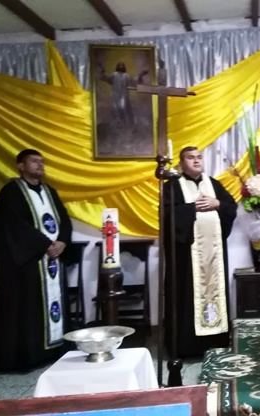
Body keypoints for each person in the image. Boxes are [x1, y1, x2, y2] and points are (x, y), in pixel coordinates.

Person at [0, 149, 72, 372]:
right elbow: (15, 226)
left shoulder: (50, 191)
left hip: (52, 260)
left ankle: (55, 350)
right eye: (33, 161)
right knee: (30, 309)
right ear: (20, 166)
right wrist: (45, 245)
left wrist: (62, 242)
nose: (40, 165)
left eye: (41, 161)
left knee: (53, 304)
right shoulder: (11, 192)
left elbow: (64, 220)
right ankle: (31, 355)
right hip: (29, 263)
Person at [164, 146, 237, 359]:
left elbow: (231, 207)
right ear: (181, 163)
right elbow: (167, 215)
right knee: (187, 295)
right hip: (186, 258)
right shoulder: (172, 186)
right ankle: (187, 346)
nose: (196, 161)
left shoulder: (213, 184)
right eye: (190, 158)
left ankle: (215, 341)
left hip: (213, 256)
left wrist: (217, 203)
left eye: (199, 157)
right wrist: (192, 208)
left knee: (214, 291)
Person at [98, 62, 149, 128]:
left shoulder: (126, 76)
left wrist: (141, 75)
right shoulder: (114, 75)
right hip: (115, 96)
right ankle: (117, 125)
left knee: (124, 110)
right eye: (120, 65)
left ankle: (125, 126)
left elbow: (133, 81)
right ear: (117, 67)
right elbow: (105, 77)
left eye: (122, 65)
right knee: (116, 110)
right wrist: (102, 70)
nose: (121, 66)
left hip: (124, 96)